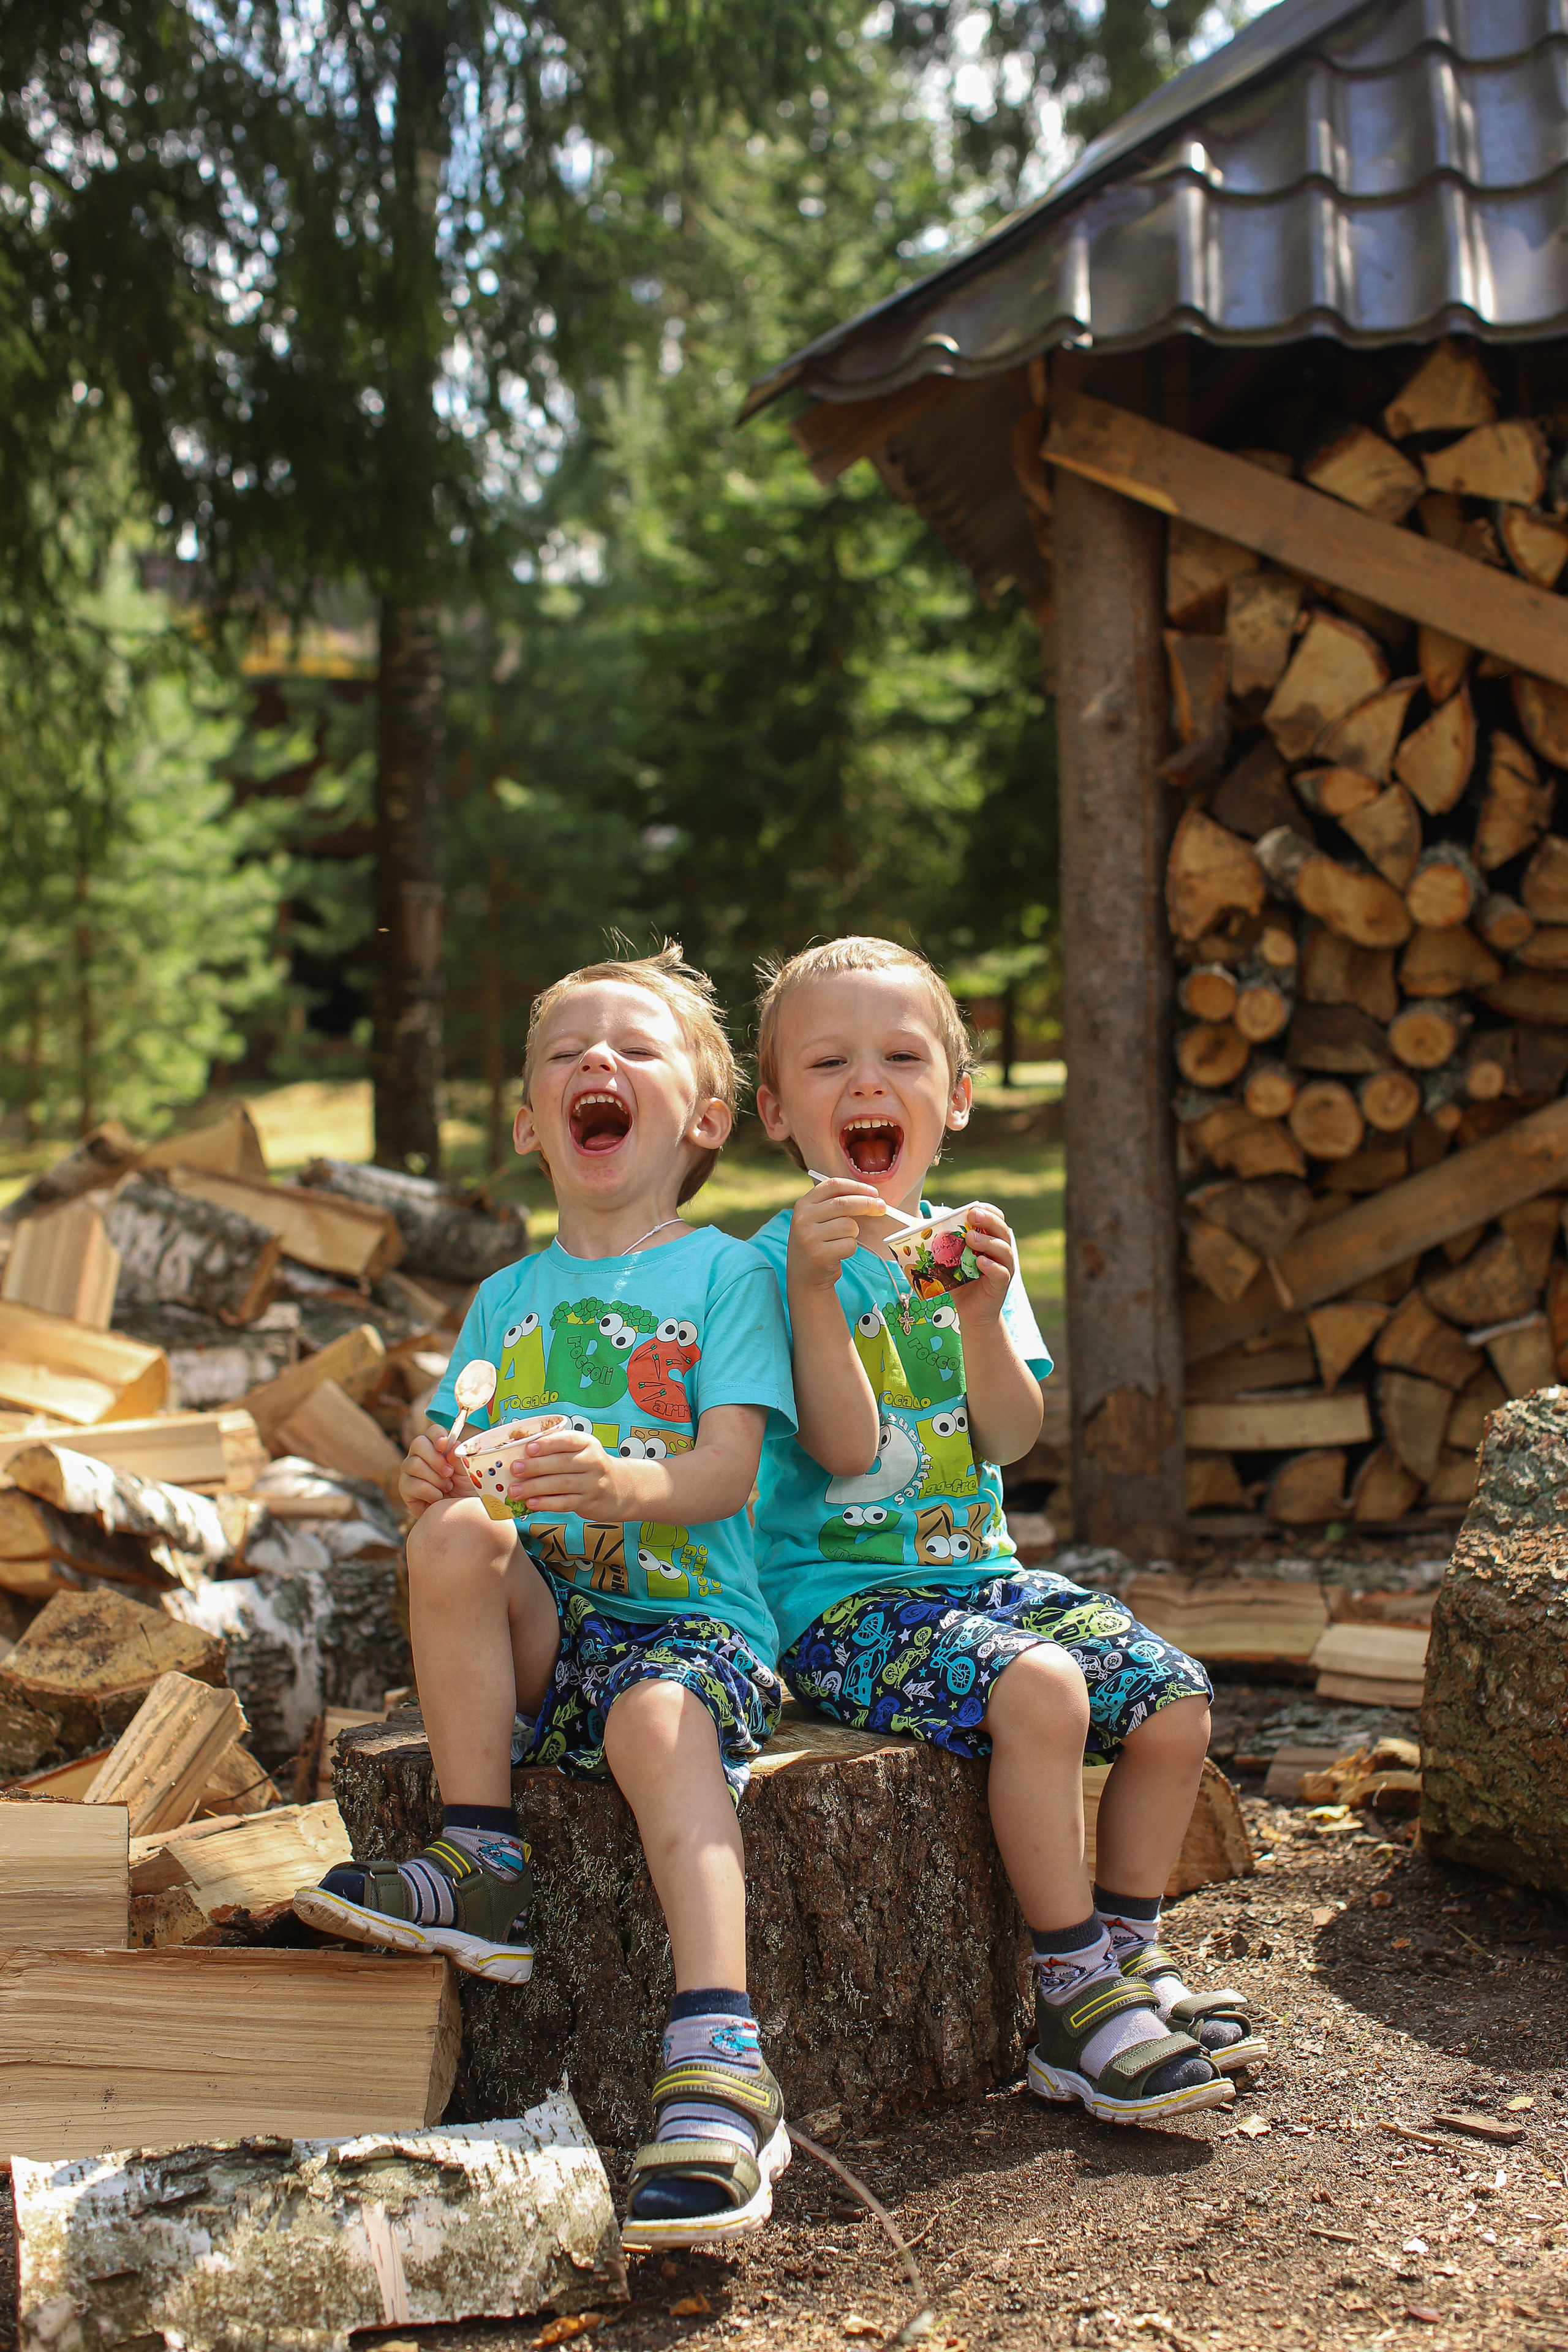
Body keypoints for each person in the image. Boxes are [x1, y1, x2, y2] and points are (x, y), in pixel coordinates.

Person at [294, 947, 797, 2247]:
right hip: (547, 1629)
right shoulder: (503, 1298)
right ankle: (482, 1858)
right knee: (454, 1538)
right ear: (530, 1123)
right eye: (567, 1051)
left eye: (634, 1046)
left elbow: (731, 1471)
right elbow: (468, 1455)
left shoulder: (724, 1276)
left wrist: (627, 1485)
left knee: (650, 1728)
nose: (597, 1065)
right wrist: (435, 1472)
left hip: (688, 1630)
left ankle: (719, 2053)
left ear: (701, 1118)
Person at [747, 935, 1264, 2126]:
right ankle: (1069, 1996)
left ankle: (1122, 1955)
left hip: (977, 1577)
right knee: (1040, 1694)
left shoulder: (969, 1250)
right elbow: (834, 1447)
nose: (866, 1084)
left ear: (956, 1098)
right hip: (833, 1603)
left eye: (900, 1056)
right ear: (777, 1108)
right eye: (828, 1062)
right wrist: (816, 1298)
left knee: (1173, 1699)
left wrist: (983, 1315)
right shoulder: (765, 1271)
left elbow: (1008, 1437)